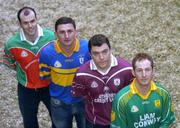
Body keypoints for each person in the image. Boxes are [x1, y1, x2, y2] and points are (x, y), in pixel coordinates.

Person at [2, 7, 55, 128]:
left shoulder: (52, 37)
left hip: (50, 86)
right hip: (26, 89)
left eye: (32, 21)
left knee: (58, 119)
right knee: (29, 122)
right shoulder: (11, 44)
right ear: (19, 24)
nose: (30, 25)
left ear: (37, 19)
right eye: (25, 23)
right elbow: (10, 63)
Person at [71, 34, 133, 128]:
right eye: (96, 53)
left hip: (121, 121)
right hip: (94, 122)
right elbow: (81, 95)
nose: (101, 57)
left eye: (104, 51)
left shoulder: (126, 69)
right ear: (90, 54)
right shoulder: (81, 74)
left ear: (110, 50)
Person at [39, 17, 91, 128]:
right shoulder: (46, 53)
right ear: (55, 34)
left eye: (70, 31)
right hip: (59, 103)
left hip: (83, 100)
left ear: (76, 32)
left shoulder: (87, 49)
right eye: (62, 32)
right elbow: (46, 77)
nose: (66, 36)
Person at [110, 53, 176, 128]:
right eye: (139, 70)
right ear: (133, 72)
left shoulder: (163, 94)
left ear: (153, 71)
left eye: (147, 70)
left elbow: (168, 122)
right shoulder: (121, 99)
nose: (144, 75)